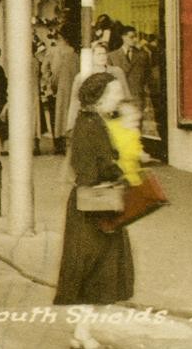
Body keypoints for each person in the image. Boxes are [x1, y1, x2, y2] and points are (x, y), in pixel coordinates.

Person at [54, 73, 134, 349]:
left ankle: (81, 331)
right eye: (113, 93)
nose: (118, 97)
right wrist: (119, 173)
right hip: (95, 209)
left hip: (93, 207)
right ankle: (82, 333)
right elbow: (90, 170)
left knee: (97, 274)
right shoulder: (92, 126)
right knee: (96, 274)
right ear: (99, 97)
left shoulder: (91, 121)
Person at [65, 41, 131, 135]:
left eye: (104, 54)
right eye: (98, 54)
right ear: (91, 57)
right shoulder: (82, 76)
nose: (102, 57)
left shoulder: (117, 72)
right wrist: (71, 125)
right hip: (93, 122)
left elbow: (126, 96)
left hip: (113, 119)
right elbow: (75, 102)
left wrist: (128, 119)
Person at [45, 27, 79, 155]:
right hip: (73, 90)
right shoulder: (75, 55)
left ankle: (59, 144)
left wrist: (51, 86)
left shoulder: (55, 52)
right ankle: (69, 142)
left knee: (57, 117)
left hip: (59, 90)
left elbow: (51, 71)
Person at [108, 26, 151, 110]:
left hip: (137, 98)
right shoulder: (112, 56)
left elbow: (147, 76)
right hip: (119, 98)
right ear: (123, 37)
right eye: (131, 37)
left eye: (136, 37)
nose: (135, 39)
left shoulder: (142, 55)